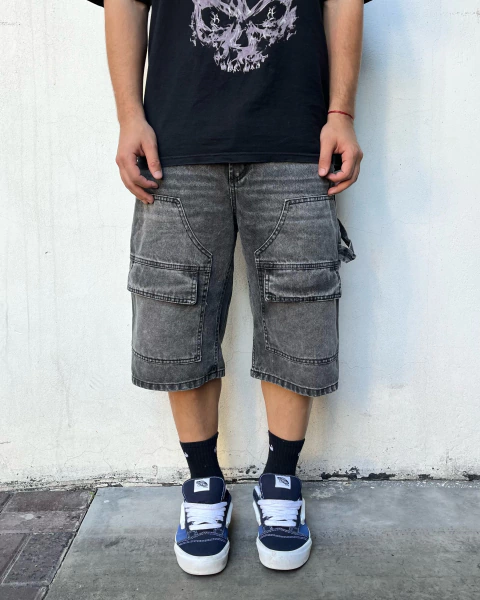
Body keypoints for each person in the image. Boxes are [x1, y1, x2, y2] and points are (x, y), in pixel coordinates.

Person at [87, 0, 371, 575]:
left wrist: (341, 112)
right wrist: (128, 117)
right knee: (174, 312)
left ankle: (281, 479)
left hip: (297, 140)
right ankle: (203, 485)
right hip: (175, 144)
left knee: (301, 306)